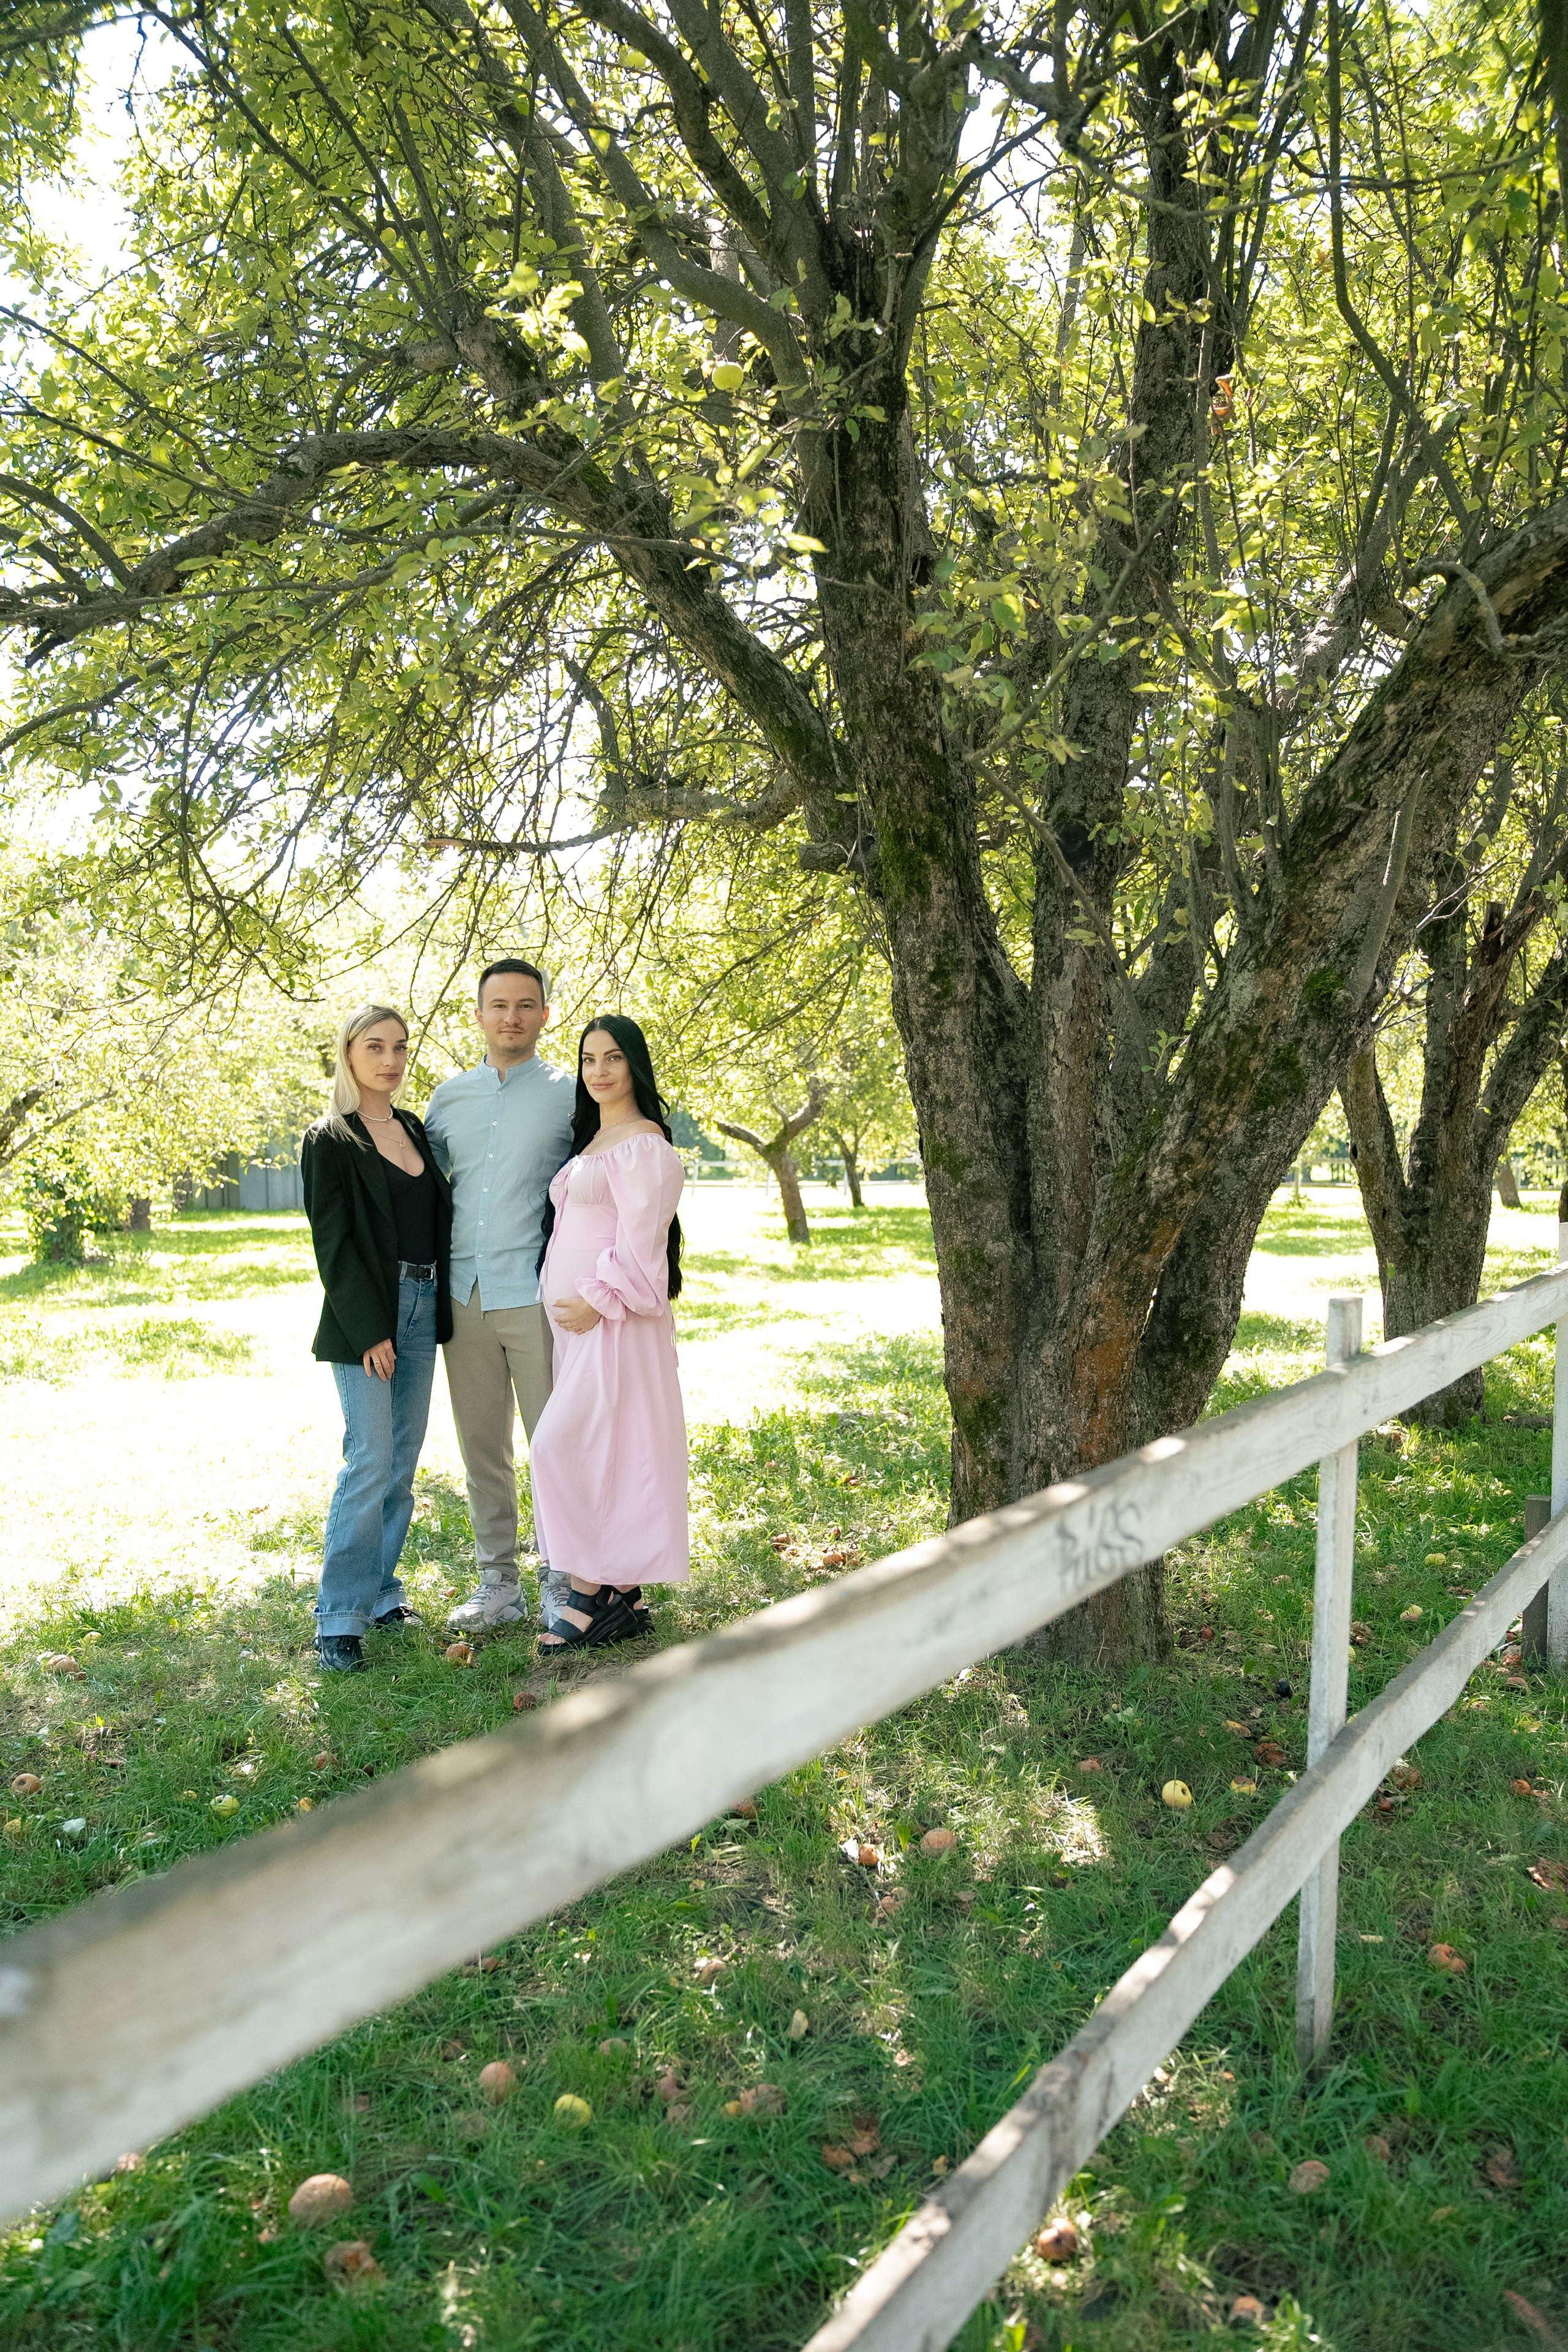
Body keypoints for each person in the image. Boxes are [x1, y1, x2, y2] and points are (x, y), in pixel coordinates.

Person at [423, 959, 576, 1629]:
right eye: (498, 1005)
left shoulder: (575, 1095)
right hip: (463, 1294)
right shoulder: (447, 1097)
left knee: (554, 1444)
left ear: (545, 1015)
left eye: (525, 1005)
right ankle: (498, 1585)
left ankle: (565, 1578)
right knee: (482, 1447)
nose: (511, 1016)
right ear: (479, 1014)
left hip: (537, 1293)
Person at [300, 1003, 452, 1673]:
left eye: (399, 1048)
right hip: (370, 1312)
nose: (390, 1060)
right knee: (369, 1460)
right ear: (349, 1054)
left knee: (401, 1463)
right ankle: (339, 1616)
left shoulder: (415, 1128)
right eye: (375, 1047)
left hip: (424, 1302)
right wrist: (370, 1330)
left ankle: (382, 1591)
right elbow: (332, 1245)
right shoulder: (329, 1138)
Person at [530, 1015, 689, 1651]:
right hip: (580, 1328)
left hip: (614, 1320)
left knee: (562, 1444)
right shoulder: (595, 1138)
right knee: (606, 1446)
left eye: (613, 1058)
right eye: (588, 1059)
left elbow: (642, 1244)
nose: (598, 1071)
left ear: (635, 1066)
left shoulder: (646, 1144)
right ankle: (620, 1589)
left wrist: (596, 1300)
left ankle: (589, 1590)